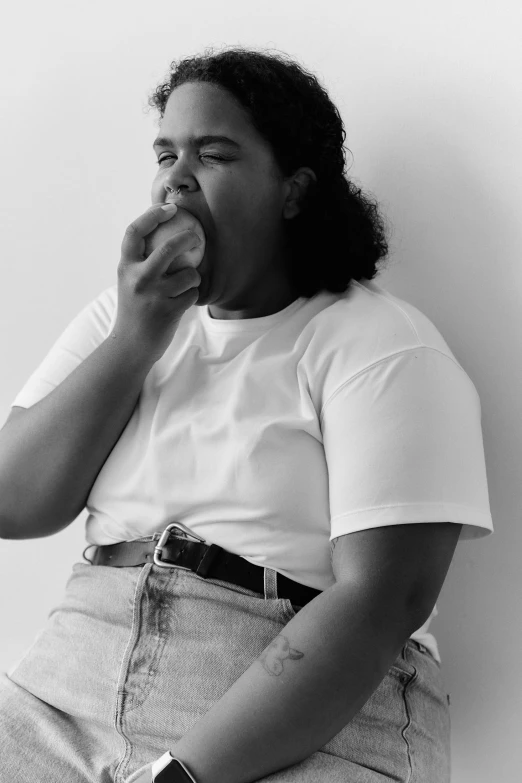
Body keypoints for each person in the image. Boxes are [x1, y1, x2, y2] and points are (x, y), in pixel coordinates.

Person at [0, 46, 493, 783]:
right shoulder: (124, 319)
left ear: (292, 190)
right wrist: (137, 337)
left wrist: (183, 774)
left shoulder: (381, 344)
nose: (177, 175)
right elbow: (13, 502)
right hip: (65, 695)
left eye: (214, 152)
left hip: (303, 720)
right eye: (165, 152)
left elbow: (384, 600)